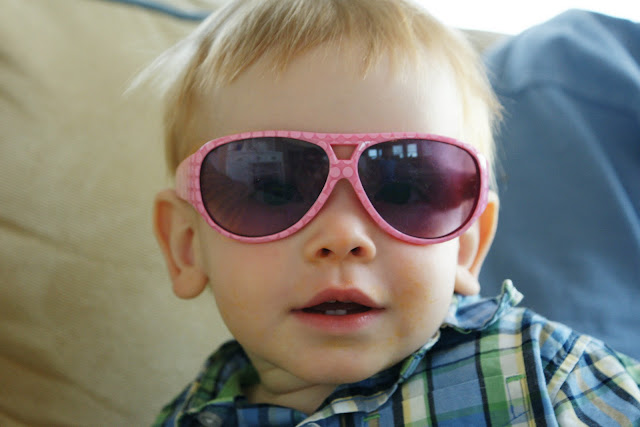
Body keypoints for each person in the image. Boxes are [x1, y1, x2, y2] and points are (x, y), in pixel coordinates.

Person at [141, 0, 640, 425]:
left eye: (404, 191)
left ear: (466, 246)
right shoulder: (187, 416)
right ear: (186, 246)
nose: (342, 237)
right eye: (272, 191)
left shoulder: (549, 375)